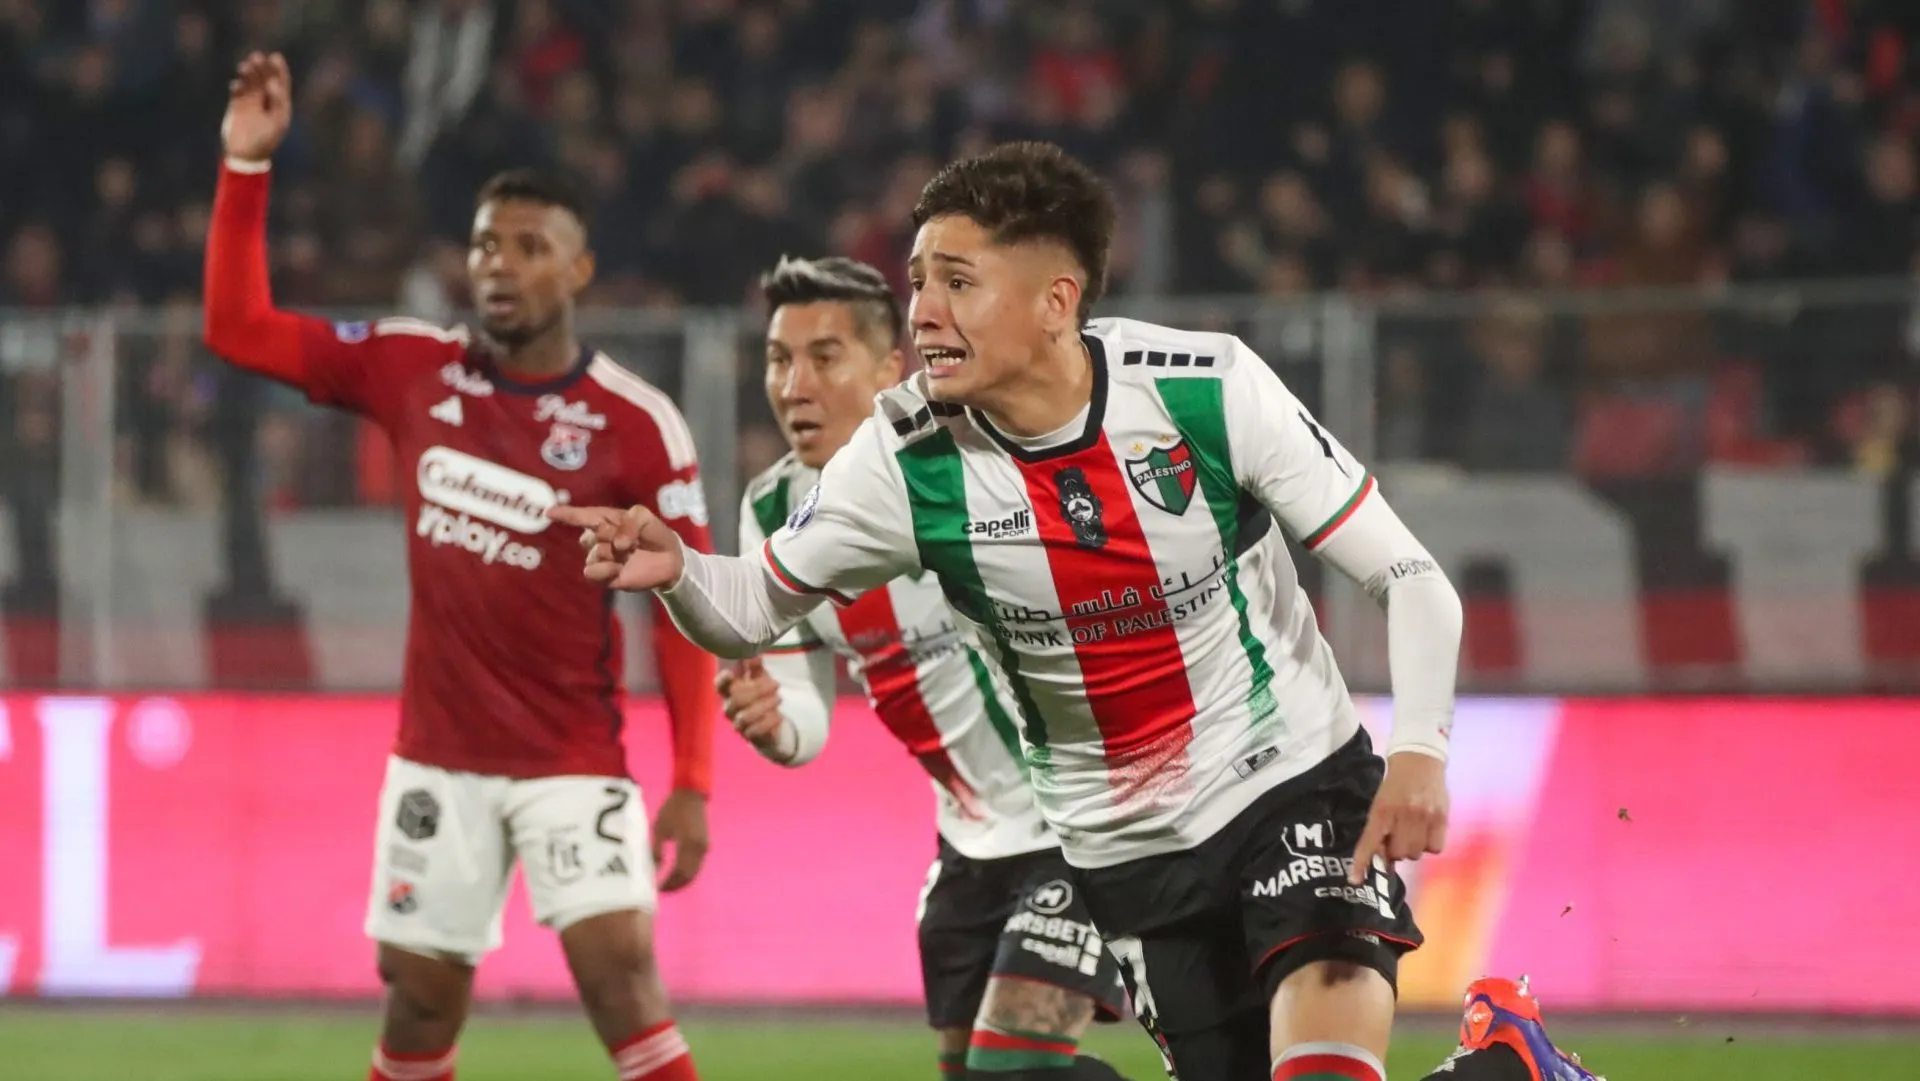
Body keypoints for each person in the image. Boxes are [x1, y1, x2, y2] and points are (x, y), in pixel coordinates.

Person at [558, 142, 1607, 1081]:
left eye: (958, 282)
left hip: (1288, 780)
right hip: (1122, 851)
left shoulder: (1204, 390)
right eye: (919, 280)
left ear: (1056, 301)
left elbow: (1411, 576)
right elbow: (751, 607)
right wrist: (678, 569)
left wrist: (1420, 749)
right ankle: (1508, 1070)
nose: (923, 313)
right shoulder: (903, 457)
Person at [205, 53, 714, 1081]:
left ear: (578, 271)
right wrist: (245, 166)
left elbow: (687, 609)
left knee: (622, 983)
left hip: (573, 760)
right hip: (437, 761)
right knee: (420, 1003)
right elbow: (237, 328)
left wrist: (694, 779)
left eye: (530, 247)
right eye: (486, 244)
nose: (499, 265)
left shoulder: (636, 424)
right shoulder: (412, 366)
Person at [725, 254, 1132, 1080]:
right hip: (968, 842)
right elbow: (804, 713)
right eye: (778, 359)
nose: (796, 385)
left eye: (825, 357)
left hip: (1079, 820)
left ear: (889, 369)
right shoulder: (771, 511)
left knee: (1010, 1066)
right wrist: (774, 726)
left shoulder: (969, 456)